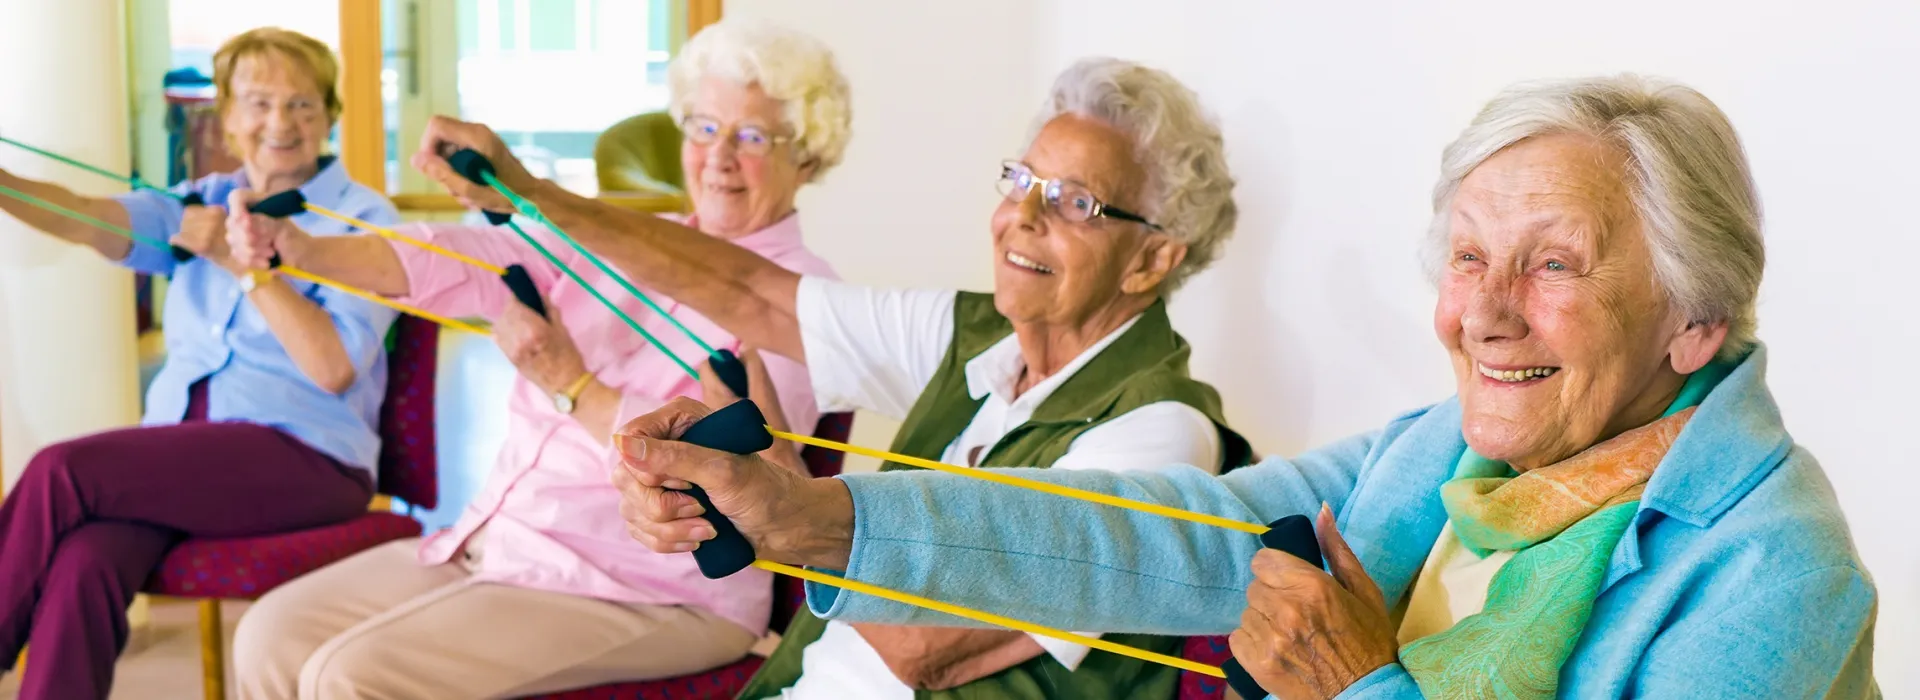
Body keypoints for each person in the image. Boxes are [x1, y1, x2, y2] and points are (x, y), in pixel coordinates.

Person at [612, 75, 1880, 699]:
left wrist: (1360, 686)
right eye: (1468, 256)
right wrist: (821, 516)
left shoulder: (1777, 572)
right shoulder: (1439, 453)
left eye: (1554, 264)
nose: (1483, 312)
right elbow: (1138, 537)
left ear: (1695, 319)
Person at [409, 56, 1252, 698]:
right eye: (1020, 181)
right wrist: (527, 193)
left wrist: (786, 510)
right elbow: (743, 285)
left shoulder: (1157, 432)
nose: (1020, 217)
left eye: (1074, 203)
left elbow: (923, 644)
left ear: (1153, 259)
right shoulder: (976, 336)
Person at [224, 20, 842, 699]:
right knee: (270, 635)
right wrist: (304, 251)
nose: (718, 156)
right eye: (703, 128)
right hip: (503, 540)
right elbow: (459, 257)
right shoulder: (636, 240)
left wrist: (570, 384)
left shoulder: (804, 304)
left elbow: (711, 476)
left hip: (650, 590)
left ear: (807, 157)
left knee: (348, 679)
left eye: (752, 137)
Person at [0, 28, 399, 700]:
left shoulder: (363, 220)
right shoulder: (198, 200)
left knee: (62, 472)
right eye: (259, 102)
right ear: (229, 116)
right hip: (187, 461)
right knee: (84, 560)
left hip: (309, 459)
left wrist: (245, 267)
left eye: (302, 104)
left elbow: (332, 368)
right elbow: (77, 214)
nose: (281, 122)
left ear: (330, 114)